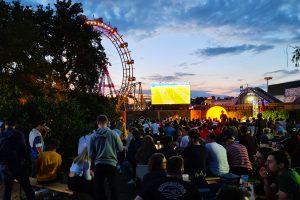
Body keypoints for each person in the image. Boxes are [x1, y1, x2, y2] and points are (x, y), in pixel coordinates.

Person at [135, 156, 202, 200]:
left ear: (166, 169)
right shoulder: (190, 187)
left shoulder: (154, 184)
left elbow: (138, 199)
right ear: (182, 170)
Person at [89, 114, 123, 200]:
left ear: (98, 123)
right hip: (111, 164)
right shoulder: (114, 134)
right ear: (107, 123)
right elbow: (120, 148)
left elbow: (90, 153)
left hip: (99, 164)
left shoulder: (93, 136)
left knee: (99, 188)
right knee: (114, 188)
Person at [0, 118, 35, 200]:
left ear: (6, 125)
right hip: (17, 166)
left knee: (7, 190)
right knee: (27, 188)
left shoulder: (1, 134)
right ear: (15, 125)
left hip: (3, 166)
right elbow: (24, 149)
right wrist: (27, 161)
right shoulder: (19, 134)